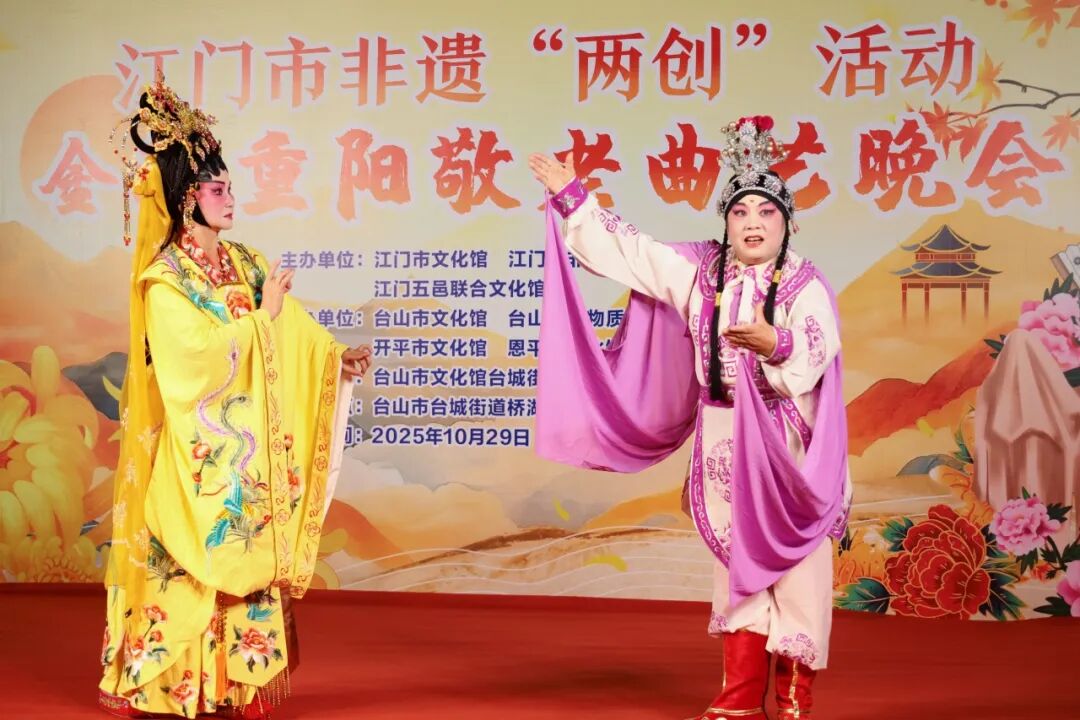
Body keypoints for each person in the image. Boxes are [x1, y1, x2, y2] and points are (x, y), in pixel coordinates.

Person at [529, 114, 851, 719]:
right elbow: (636, 254)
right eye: (740, 212)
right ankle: (739, 700)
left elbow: (816, 348)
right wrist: (574, 197)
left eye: (766, 213)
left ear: (787, 222)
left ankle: (794, 700)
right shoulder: (702, 273)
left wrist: (775, 344)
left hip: (787, 442)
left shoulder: (804, 283)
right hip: (724, 435)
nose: (752, 223)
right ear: (725, 221)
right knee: (735, 563)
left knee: (798, 567)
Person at [98, 74, 371, 719]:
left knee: (247, 543)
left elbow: (291, 327)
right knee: (193, 554)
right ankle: (176, 687)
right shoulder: (165, 280)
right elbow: (189, 360)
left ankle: (233, 685)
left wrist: (333, 359)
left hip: (247, 452)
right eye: (218, 189)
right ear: (186, 199)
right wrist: (258, 319)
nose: (230, 199)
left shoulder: (246, 262)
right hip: (200, 448)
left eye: (229, 188)